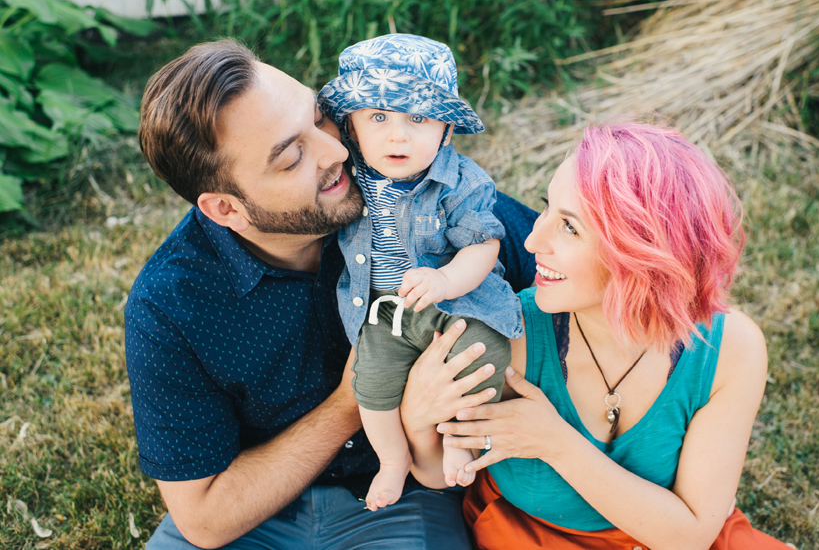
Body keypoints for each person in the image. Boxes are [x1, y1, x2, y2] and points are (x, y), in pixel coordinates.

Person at [125, 38, 536, 550]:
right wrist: (355, 397)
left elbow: (574, 276)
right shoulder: (172, 303)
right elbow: (207, 518)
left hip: (401, 496)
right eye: (293, 156)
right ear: (227, 209)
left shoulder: (408, 192)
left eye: (320, 118)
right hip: (258, 510)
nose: (337, 151)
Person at [404, 123, 793, 549]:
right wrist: (418, 421)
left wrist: (556, 443)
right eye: (546, 209)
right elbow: (440, 471)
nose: (532, 240)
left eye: (569, 227)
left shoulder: (729, 349)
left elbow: (690, 535)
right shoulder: (507, 334)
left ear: (642, 255)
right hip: (533, 536)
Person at [316, 33, 523, 510]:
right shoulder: (351, 178)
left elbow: (483, 243)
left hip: (456, 307)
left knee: (484, 359)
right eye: (379, 117)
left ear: (446, 132)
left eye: (418, 118)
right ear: (351, 127)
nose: (398, 135)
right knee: (370, 386)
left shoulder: (460, 181)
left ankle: (457, 438)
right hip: (387, 313)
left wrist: (446, 280)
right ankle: (392, 460)